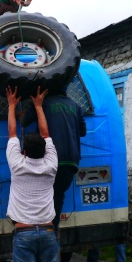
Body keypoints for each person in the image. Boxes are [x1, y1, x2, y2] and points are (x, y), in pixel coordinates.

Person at [6, 85, 61, 262]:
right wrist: (39, 106)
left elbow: (13, 133)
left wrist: (12, 104)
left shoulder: (17, 165)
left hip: (24, 234)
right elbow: (46, 134)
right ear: (44, 150)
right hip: (49, 234)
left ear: (24, 152)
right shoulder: (51, 166)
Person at [20, 89, 86, 233]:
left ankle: (41, 235)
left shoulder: (42, 104)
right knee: (58, 196)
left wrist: (28, 106)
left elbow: (24, 122)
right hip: (71, 161)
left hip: (50, 159)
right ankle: (52, 231)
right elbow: (83, 131)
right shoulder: (76, 106)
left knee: (42, 196)